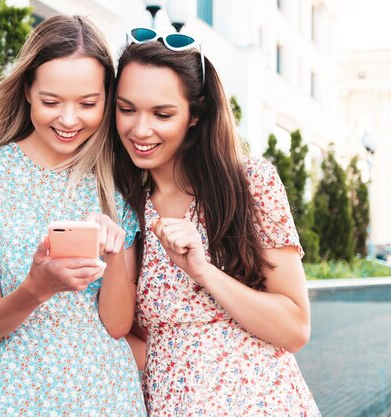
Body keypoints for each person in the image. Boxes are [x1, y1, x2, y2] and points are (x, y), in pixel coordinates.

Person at [0, 16, 146, 416]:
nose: (69, 120)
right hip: (16, 400)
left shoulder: (116, 178)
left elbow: (118, 325)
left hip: (108, 399)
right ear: (28, 92)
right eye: (52, 101)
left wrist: (116, 252)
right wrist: (37, 287)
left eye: (88, 104)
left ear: (107, 98)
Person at [113, 31, 321, 416]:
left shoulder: (249, 184)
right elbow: (126, 334)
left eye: (162, 114)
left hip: (264, 404)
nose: (140, 130)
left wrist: (203, 271)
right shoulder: (125, 208)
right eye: (127, 109)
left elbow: (295, 329)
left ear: (196, 113)